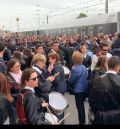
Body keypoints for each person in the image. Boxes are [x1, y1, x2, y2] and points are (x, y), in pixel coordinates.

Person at [88, 56, 120, 125]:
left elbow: (92, 101)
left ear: (108, 65)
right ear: (118, 67)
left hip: (101, 117)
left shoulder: (96, 80)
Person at [68, 51, 88, 125]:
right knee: (82, 105)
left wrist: (69, 79)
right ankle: (83, 120)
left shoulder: (74, 69)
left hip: (78, 90)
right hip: (84, 88)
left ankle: (82, 121)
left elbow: (71, 81)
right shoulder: (84, 67)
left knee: (79, 107)